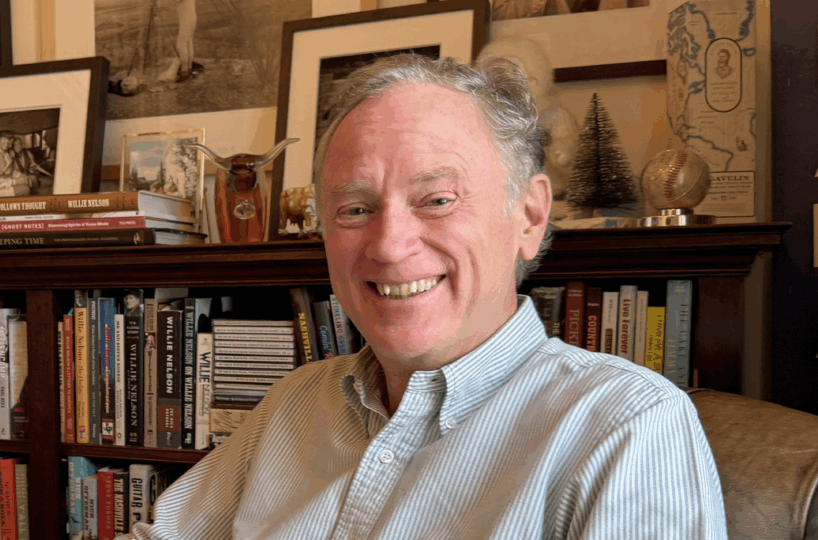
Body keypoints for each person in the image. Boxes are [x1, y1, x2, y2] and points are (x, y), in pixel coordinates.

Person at [122, 54, 727, 539]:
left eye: (437, 199)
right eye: (354, 208)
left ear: (530, 215)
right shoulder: (295, 404)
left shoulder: (625, 429)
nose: (388, 246)